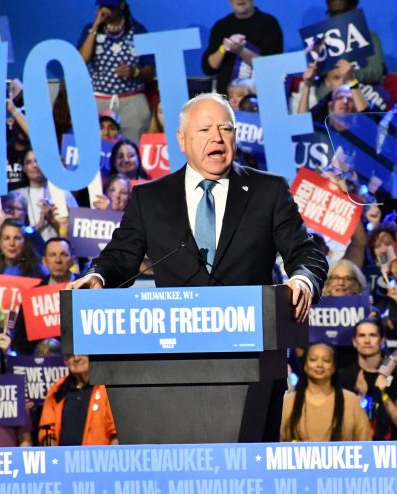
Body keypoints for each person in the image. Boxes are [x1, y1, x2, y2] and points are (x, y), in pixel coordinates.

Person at [69, 93, 328, 324]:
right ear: (182, 140)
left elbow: (306, 254)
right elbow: (120, 257)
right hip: (178, 350)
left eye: (226, 129)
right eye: (204, 129)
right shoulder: (149, 197)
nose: (217, 137)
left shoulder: (268, 190)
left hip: (253, 345)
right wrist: (98, 276)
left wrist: (302, 281)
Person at [77, 0, 153, 141]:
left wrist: (134, 72)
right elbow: (82, 60)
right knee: (96, 149)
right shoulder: (90, 30)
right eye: (103, 5)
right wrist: (95, 27)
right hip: (99, 100)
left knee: (134, 149)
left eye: (111, 6)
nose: (107, 10)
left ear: (122, 4)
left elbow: (150, 71)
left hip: (132, 102)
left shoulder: (138, 31)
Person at [335, 318, 397, 441]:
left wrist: (383, 395)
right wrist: (360, 398)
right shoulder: (343, 377)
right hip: (357, 451)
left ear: (382, 340)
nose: (367, 340)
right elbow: (339, 428)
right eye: (362, 335)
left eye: (373, 335)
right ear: (354, 341)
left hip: (393, 452)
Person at [201, 0, 283, 93]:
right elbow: (208, 68)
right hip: (226, 102)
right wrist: (223, 49)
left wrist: (241, 51)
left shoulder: (269, 23)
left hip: (259, 99)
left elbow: (273, 67)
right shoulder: (221, 26)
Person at [281, 342, 371, 441]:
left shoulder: (351, 401)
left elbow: (365, 444)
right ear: (305, 365)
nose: (320, 365)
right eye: (313, 359)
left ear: (333, 367)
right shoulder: (288, 403)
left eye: (326, 360)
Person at [38, 353, 118, 446]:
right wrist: (53, 455)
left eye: (82, 353)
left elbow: (115, 431)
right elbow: (47, 430)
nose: (76, 358)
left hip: (99, 458)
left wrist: (113, 457)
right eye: (70, 355)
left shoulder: (106, 387)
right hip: (62, 459)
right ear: (65, 360)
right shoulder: (57, 389)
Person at [11, 149, 78, 241]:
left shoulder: (64, 194)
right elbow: (10, 233)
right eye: (28, 162)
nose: (34, 165)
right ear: (23, 168)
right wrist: (38, 226)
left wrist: (52, 220)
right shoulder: (15, 196)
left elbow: (76, 234)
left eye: (38, 161)